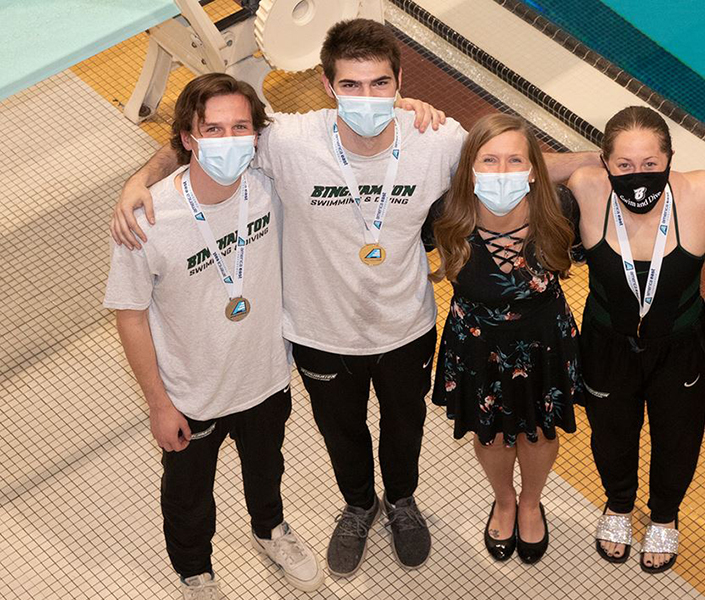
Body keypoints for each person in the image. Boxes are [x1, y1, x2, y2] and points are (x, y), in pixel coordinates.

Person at [111, 19, 598, 579]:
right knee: (341, 432)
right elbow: (208, 139)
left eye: (380, 84)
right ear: (327, 84)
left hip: (405, 325)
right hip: (320, 334)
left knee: (404, 426)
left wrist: (608, 162)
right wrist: (137, 183)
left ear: (399, 83)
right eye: (352, 85)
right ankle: (359, 505)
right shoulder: (289, 140)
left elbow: (515, 161)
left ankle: (401, 501)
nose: (367, 98)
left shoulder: (436, 139)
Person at [104, 73, 322, 599]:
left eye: (240, 127)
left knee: (268, 467)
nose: (228, 140)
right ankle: (194, 570)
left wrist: (401, 100)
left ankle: (270, 530)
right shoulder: (149, 219)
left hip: (266, 375)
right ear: (187, 138)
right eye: (213, 129)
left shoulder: (270, 184)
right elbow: (130, 315)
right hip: (190, 392)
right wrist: (158, 404)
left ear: (256, 134)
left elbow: (340, 125)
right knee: (188, 493)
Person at [566, 106, 705, 573]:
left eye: (651, 164)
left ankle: (665, 515)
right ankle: (618, 504)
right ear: (604, 164)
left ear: (671, 158)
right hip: (606, 343)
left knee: (678, 437)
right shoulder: (586, 186)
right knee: (611, 433)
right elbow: (527, 157)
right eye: (625, 165)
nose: (639, 175)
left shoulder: (702, 191)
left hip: (679, 345)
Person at [428, 113, 580, 565]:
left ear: (535, 167)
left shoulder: (561, 207)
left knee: (537, 431)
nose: (501, 171)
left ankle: (531, 500)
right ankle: (505, 500)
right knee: (492, 436)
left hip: (543, 341)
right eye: (488, 160)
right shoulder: (447, 214)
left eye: (515, 160)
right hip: (477, 344)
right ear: (469, 167)